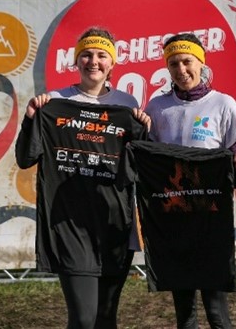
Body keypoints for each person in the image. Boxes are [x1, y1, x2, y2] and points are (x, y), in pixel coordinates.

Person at [15, 27, 150, 329]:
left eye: (102, 55)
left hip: (115, 224)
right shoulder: (54, 102)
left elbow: (140, 166)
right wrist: (30, 119)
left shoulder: (127, 105)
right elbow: (25, 159)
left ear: (112, 63)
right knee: (83, 319)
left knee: (105, 319)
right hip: (70, 223)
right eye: (86, 55)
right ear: (76, 61)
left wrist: (145, 132)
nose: (94, 61)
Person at [144, 32, 236, 329]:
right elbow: (147, 155)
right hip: (173, 216)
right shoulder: (157, 108)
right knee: (184, 312)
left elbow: (235, 150)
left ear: (201, 63)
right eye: (174, 64)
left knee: (217, 311)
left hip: (210, 216)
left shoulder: (223, 104)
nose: (181, 70)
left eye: (187, 62)